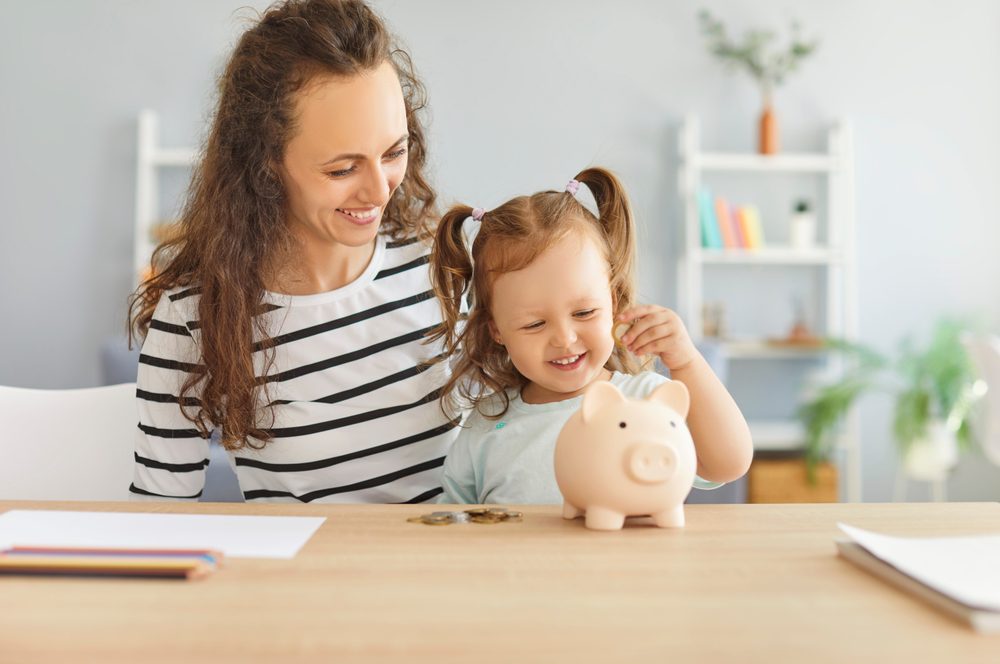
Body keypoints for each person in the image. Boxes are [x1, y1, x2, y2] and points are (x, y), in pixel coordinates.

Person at [128, 0, 459, 503]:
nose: (379, 190)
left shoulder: (447, 267)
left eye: (395, 151)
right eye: (342, 169)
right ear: (266, 163)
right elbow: (158, 518)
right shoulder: (195, 317)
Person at [429, 168, 754, 504]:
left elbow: (729, 464)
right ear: (496, 329)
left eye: (584, 313)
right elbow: (455, 520)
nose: (564, 339)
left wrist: (686, 362)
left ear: (612, 302)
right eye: (534, 324)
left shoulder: (646, 400)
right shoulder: (486, 425)